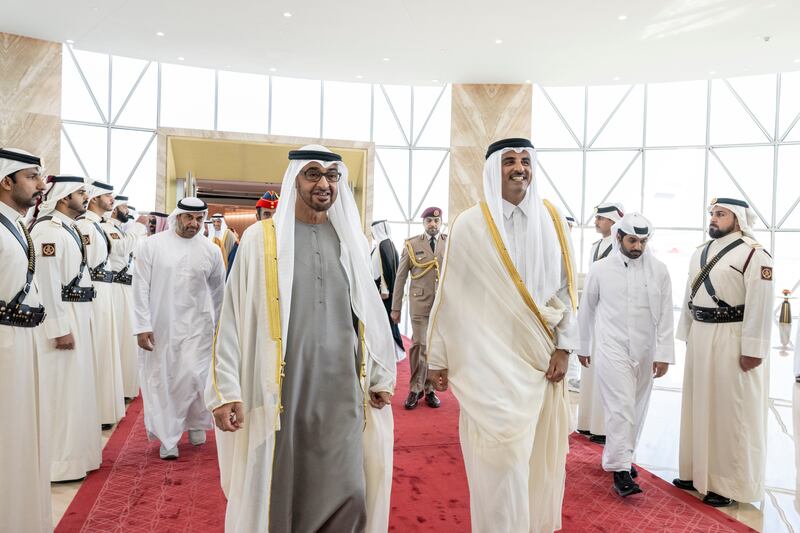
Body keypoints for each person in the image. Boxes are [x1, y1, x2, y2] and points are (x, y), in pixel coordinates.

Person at [207, 145, 396, 533]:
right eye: (312, 174)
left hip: (344, 389)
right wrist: (226, 389)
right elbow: (232, 319)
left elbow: (370, 315)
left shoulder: (353, 241)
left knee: (350, 487)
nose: (324, 184)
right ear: (295, 179)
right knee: (283, 487)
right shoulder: (261, 240)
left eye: (332, 176)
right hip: (283, 391)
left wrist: (379, 374)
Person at [427, 138, 577, 533]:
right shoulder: (470, 224)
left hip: (539, 359)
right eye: (509, 161)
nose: (519, 168)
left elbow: (565, 289)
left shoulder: (552, 219)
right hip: (487, 361)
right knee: (499, 459)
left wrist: (565, 347)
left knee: (534, 461)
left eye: (525, 161)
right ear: (494, 169)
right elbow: (451, 296)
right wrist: (439, 359)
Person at [673, 197, 773, 507]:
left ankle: (726, 484)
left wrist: (753, 349)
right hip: (701, 337)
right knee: (697, 403)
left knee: (730, 412)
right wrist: (687, 333)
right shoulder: (700, 251)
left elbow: (761, 303)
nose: (714, 219)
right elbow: (690, 294)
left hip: (733, 337)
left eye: (721, 214)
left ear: (739, 219)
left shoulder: (755, 255)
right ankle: (694, 472)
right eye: (712, 214)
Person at [578, 213, 674, 497]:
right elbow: (587, 309)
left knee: (636, 406)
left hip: (646, 350)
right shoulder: (600, 269)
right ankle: (621, 471)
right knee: (620, 407)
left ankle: (620, 456)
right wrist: (583, 346)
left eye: (643, 241)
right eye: (633, 240)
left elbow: (667, 314)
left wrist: (664, 353)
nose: (638, 246)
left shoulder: (659, 270)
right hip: (611, 346)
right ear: (618, 237)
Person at [133, 197, 225, 459]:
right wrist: (142, 325)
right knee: (164, 380)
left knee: (196, 378)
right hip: (162, 325)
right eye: (189, 218)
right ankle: (168, 437)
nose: (194, 224)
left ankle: (196, 424)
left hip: (199, 326)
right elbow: (139, 287)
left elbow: (219, 292)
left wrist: (221, 327)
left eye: (199, 219)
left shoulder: (211, 250)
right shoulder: (152, 246)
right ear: (177, 217)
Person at [30, 175, 102, 482]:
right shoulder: (48, 230)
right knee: (61, 391)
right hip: (62, 315)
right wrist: (59, 327)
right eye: (80, 192)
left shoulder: (70, 228)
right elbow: (47, 283)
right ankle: (58, 463)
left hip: (78, 312)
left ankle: (77, 457)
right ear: (63, 197)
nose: (86, 196)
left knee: (76, 389)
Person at [0, 149, 52, 532]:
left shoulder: (15, 225)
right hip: (5, 346)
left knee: (20, 439)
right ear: (6, 181)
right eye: (32, 176)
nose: (40, 184)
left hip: (21, 345)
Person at [76, 181, 125, 429]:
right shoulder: (86, 226)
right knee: (99, 349)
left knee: (106, 348)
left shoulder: (96, 225)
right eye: (108, 195)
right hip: (96, 293)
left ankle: (103, 410)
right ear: (95, 198)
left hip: (105, 292)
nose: (112, 200)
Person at [577, 201, 625, 444]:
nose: (596, 222)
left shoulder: (621, 245)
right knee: (590, 370)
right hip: (593, 313)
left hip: (609, 315)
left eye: (601, 219)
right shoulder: (596, 246)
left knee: (605, 373)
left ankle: (603, 427)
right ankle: (587, 423)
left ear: (614, 221)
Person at [390, 207, 446, 410]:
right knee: (420, 344)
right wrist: (395, 308)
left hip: (442, 307)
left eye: (436, 221)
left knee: (434, 347)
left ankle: (429, 389)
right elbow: (401, 277)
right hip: (420, 303)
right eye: (429, 221)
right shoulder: (412, 244)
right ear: (423, 223)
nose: (433, 224)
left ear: (441, 224)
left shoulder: (448, 244)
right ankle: (415, 388)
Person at [108, 194, 146, 399]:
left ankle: (123, 388)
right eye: (123, 207)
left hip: (124, 290)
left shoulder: (116, 230)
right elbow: (121, 249)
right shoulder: (107, 228)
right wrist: (138, 227)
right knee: (121, 339)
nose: (127, 211)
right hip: (115, 290)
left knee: (125, 339)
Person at [371, 220, 405, 358]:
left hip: (383, 293)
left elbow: (386, 269)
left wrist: (384, 289)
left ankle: (392, 353)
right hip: (382, 291)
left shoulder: (384, 245)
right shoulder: (385, 244)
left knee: (385, 322)